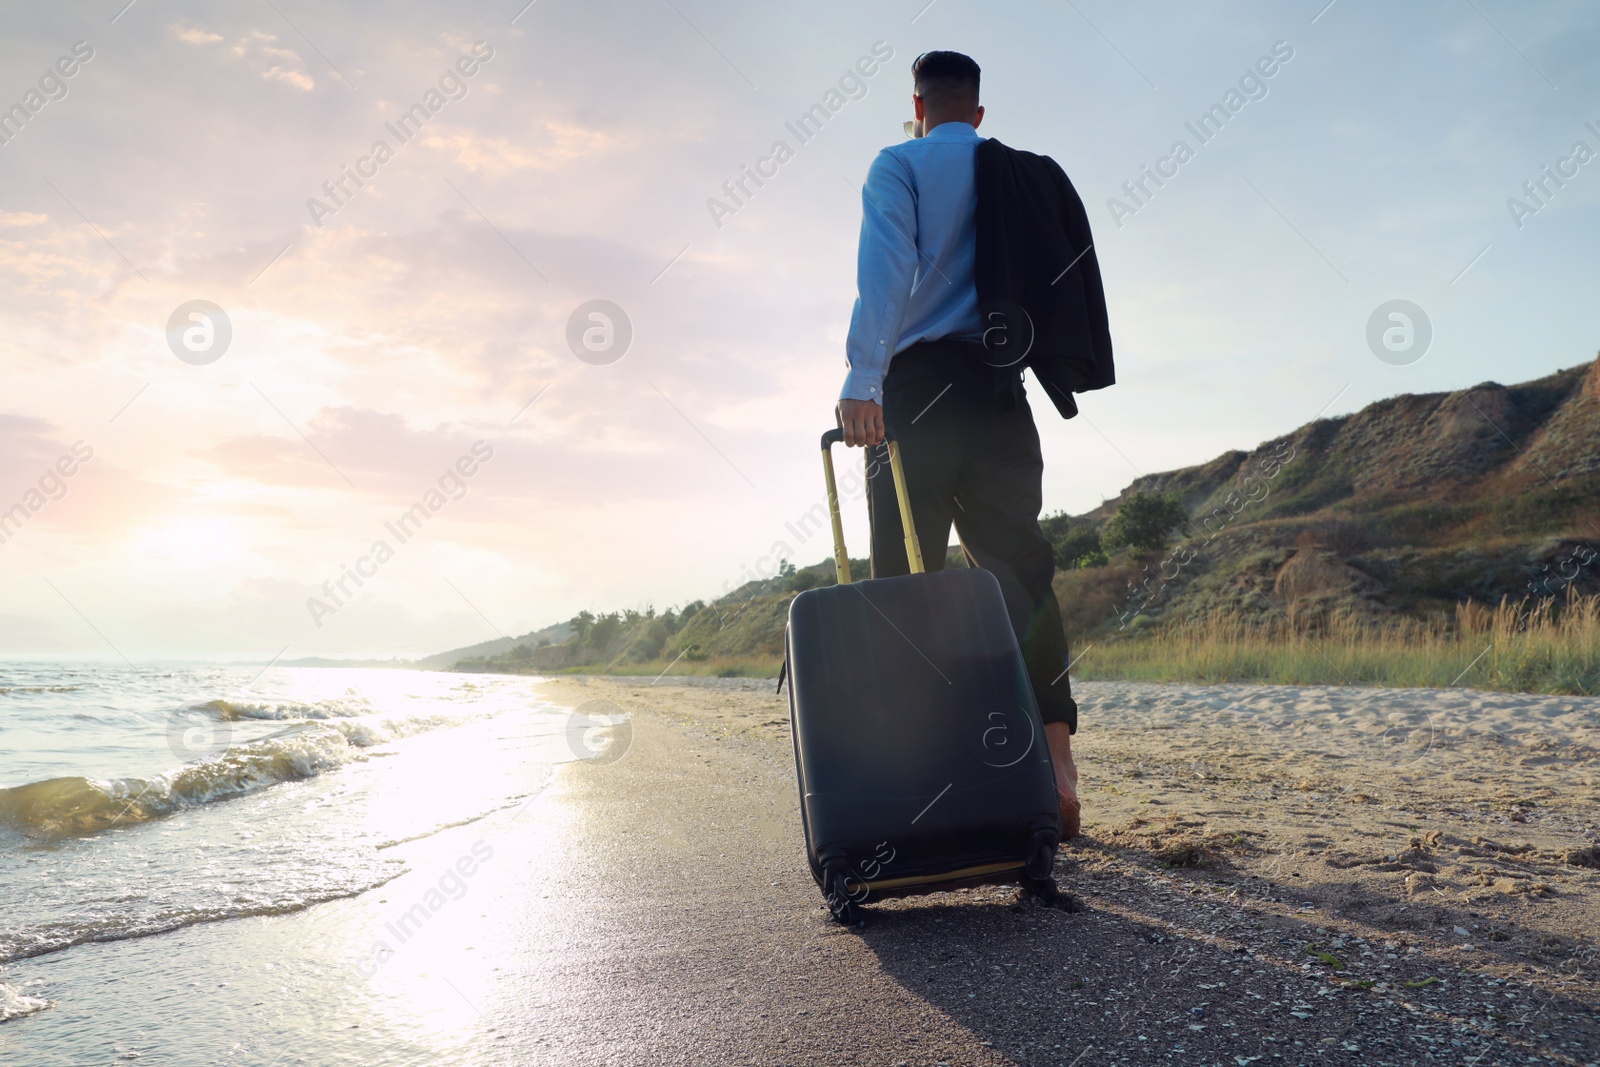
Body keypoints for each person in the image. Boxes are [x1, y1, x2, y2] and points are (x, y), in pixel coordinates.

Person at [835, 50, 1114, 839]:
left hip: (917, 396)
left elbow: (886, 268)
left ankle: (927, 773)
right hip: (1000, 394)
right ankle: (1058, 771)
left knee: (905, 585)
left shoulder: (899, 163)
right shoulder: (1023, 174)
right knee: (1020, 572)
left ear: (916, 106)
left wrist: (863, 376)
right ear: (979, 112)